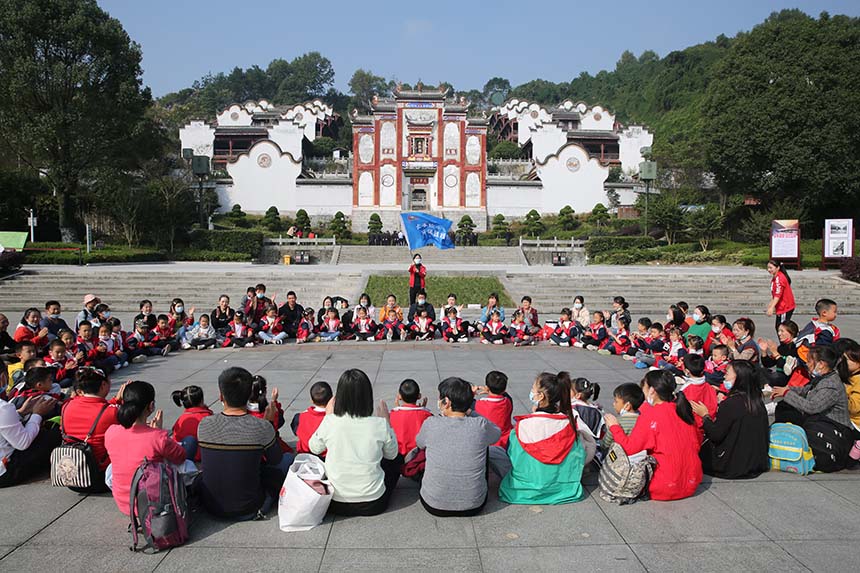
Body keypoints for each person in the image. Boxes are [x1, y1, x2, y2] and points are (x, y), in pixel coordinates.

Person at [198, 367, 292, 519]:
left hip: (211, 507)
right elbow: (276, 460)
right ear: (249, 395)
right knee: (287, 459)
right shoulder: (261, 426)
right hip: (250, 508)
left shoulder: (204, 424)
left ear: (221, 396)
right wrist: (268, 424)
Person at [309, 369, 401, 516]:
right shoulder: (379, 424)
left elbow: (314, 448)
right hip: (374, 503)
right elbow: (392, 455)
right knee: (396, 460)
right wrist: (387, 423)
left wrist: (327, 416)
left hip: (335, 502)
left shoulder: (331, 421)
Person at [604, 370, 702, 501]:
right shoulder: (683, 410)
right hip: (691, 482)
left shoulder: (650, 414)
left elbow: (629, 448)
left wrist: (614, 426)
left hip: (664, 487)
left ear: (652, 391)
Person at [415, 377, 501, 516]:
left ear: (446, 402)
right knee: (483, 445)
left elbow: (419, 443)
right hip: (474, 505)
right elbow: (496, 433)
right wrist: (471, 412)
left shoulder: (431, 423)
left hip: (434, 504)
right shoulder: (480, 424)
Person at [498, 371, 586, 505]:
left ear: (540, 396)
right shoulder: (570, 425)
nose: (531, 391)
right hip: (565, 490)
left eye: (533, 388)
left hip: (522, 491)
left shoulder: (522, 427)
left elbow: (512, 455)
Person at [103, 381, 186, 515]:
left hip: (125, 503)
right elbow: (180, 457)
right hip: (153, 503)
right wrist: (159, 433)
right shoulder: (157, 437)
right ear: (151, 406)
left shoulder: (111, 432)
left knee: (112, 467)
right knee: (188, 447)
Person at [772, 346, 852, 470]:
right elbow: (806, 390)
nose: (807, 364)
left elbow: (812, 407)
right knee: (785, 407)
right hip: (821, 424)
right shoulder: (823, 378)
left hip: (833, 431)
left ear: (821, 364)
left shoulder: (831, 385)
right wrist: (785, 390)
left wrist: (786, 394)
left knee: (788, 410)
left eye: (809, 361)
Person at [691, 360, 769, 479]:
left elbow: (715, 435)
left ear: (738, 378)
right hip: (756, 463)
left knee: (697, 449)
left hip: (731, 466)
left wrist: (705, 415)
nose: (724, 376)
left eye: (727, 374)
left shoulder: (731, 403)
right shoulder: (756, 401)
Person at [59, 368, 123, 492]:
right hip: (100, 478)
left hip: (72, 478)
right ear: (103, 384)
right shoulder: (112, 411)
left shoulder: (67, 405)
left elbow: (94, 409)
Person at [0, 390, 60, 487]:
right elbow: (23, 442)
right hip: (5, 473)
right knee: (52, 434)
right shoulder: (3, 408)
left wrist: (22, 412)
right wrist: (38, 414)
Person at [388, 379, 432, 456]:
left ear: (399, 396)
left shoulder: (391, 415)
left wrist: (398, 409)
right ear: (419, 396)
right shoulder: (428, 416)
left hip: (397, 457)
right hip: (417, 457)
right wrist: (423, 410)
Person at [678, 354, 718, 439]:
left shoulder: (685, 390)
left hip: (694, 428)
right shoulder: (709, 386)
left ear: (687, 371)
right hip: (708, 422)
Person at [473, 371, 513, 447]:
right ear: (504, 390)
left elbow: (467, 405)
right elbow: (506, 395)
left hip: (488, 442)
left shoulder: (480, 404)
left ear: (487, 387)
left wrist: (472, 394)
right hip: (506, 439)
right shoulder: (507, 401)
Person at [291, 381, 333, 455]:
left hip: (306, 454)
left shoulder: (301, 416)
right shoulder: (335, 418)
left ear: (312, 401)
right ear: (332, 398)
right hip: (327, 456)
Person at [171, 385, 212, 461]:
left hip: (184, 458)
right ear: (202, 400)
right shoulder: (208, 418)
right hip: (204, 458)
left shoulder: (180, 420)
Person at [601, 383, 645, 451]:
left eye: (616, 401)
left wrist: (609, 428)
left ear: (627, 406)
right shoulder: (643, 420)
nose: (614, 404)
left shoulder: (616, 422)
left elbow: (605, 444)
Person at [759, 320, 800, 387]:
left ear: (791, 332)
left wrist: (776, 353)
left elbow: (786, 368)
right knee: (759, 371)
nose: (779, 333)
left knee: (774, 377)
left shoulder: (796, 347)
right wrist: (764, 352)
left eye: (782, 331)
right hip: (778, 376)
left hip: (788, 377)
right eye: (778, 331)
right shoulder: (781, 347)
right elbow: (768, 364)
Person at [766, 259, 796, 331]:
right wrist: (771, 303)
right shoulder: (776, 277)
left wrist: (772, 307)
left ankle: (788, 341)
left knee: (782, 328)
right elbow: (776, 293)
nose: (769, 270)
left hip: (785, 307)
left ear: (778, 268)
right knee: (780, 327)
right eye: (768, 268)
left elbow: (778, 294)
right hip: (782, 307)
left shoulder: (779, 278)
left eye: (771, 268)